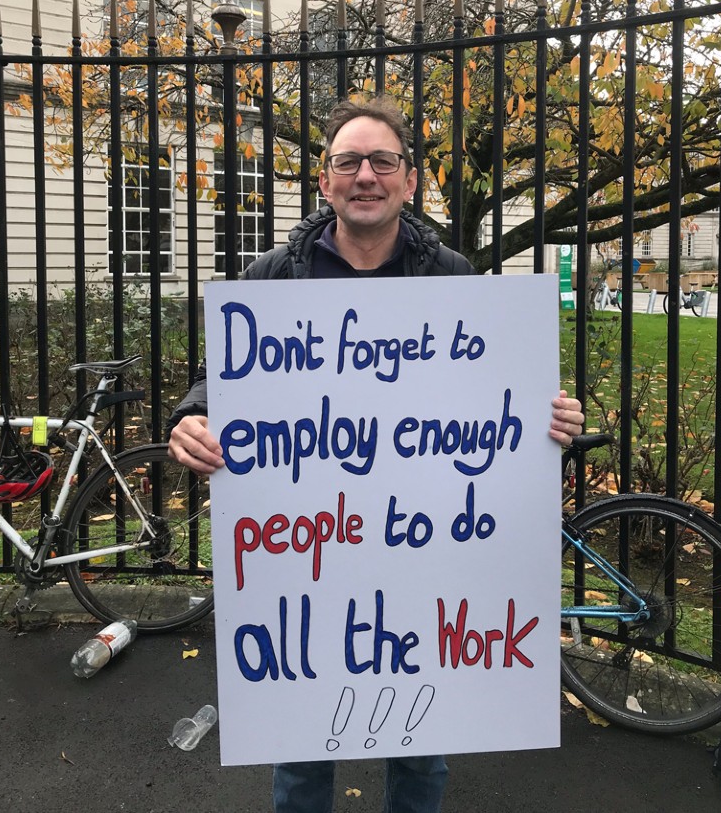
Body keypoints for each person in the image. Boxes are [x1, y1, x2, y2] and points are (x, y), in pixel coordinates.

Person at [167, 96, 584, 813]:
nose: (366, 175)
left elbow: (494, 390)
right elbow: (219, 379)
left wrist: (549, 417)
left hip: (422, 554)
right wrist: (192, 417)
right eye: (348, 162)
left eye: (381, 161)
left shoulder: (449, 272)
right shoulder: (275, 274)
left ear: (409, 180)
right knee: (299, 748)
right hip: (305, 553)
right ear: (324, 181)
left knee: (423, 748)